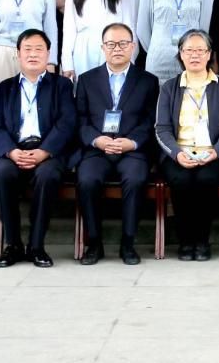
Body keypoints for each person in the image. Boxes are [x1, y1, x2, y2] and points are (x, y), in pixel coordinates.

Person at [72, 23, 160, 266]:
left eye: (123, 43)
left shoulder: (148, 81)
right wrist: (96, 139)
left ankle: (128, 244)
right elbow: (80, 119)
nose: (117, 49)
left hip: (132, 149)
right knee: (87, 180)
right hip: (97, 148)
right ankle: (94, 243)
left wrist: (132, 142)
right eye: (111, 44)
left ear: (133, 47)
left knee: (135, 179)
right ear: (103, 48)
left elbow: (150, 120)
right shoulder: (87, 80)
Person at [0, 29, 77, 268]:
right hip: (14, 150)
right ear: (18, 54)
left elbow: (67, 123)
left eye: (39, 49)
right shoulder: (4, 88)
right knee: (1, 173)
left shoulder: (62, 85)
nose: (33, 54)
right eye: (27, 49)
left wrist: (44, 151)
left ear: (48, 54)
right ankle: (13, 245)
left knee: (48, 175)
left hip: (48, 151)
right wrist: (11, 151)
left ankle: (36, 246)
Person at [156, 30, 219, 261]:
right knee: (181, 180)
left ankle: (202, 241)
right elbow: (161, 129)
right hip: (179, 153)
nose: (195, 55)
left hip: (211, 153)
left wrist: (216, 152)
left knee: (206, 179)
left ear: (209, 54)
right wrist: (176, 154)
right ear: (181, 54)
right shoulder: (169, 87)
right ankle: (185, 241)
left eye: (200, 50)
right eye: (189, 50)